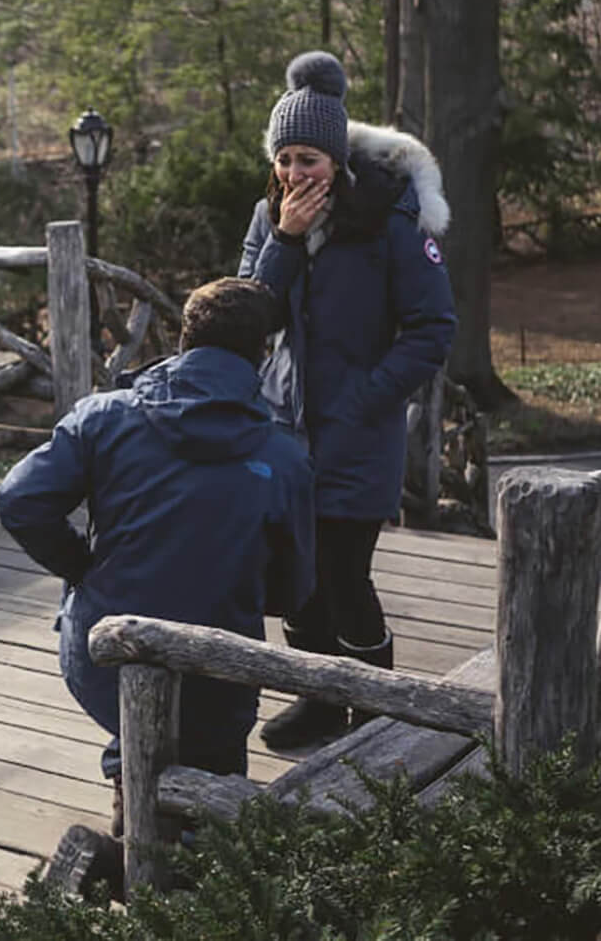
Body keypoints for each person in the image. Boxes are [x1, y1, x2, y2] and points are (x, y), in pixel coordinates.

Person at [0, 277, 314, 897]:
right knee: (212, 743)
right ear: (264, 353)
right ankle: (191, 870)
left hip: (101, 656)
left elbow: (20, 500)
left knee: (138, 720)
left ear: (181, 337)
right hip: (218, 669)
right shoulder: (283, 456)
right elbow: (295, 590)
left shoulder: (104, 417)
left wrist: (82, 568)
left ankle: (134, 838)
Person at [239, 51, 456, 750]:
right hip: (284, 429)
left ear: (337, 158)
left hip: (359, 430)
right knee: (293, 579)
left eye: (311, 159)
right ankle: (321, 701)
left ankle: (379, 709)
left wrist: (370, 396)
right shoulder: (270, 216)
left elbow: (432, 329)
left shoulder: (391, 218)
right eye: (287, 158)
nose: (297, 174)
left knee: (343, 576)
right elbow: (249, 313)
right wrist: (286, 241)